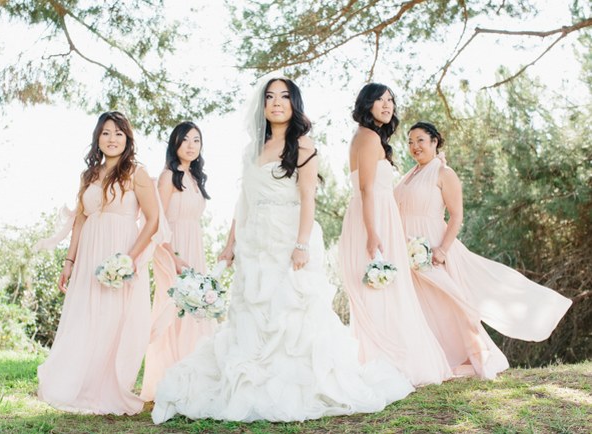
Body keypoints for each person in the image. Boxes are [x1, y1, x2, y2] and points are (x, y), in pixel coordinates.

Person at [151, 77, 413, 424]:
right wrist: (230, 245)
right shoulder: (252, 149)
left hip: (289, 236)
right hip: (254, 238)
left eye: (284, 96)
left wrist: (302, 243)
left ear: (294, 104)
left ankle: (292, 382)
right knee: (250, 310)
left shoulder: (303, 145)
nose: (276, 102)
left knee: (289, 311)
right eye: (270, 96)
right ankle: (250, 377)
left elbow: (308, 198)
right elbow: (243, 200)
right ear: (262, 106)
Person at [394, 121, 572, 378]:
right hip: (408, 248)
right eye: (410, 142)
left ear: (434, 142)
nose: (414, 146)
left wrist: (442, 250)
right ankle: (430, 359)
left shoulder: (444, 173)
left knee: (452, 303)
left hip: (433, 246)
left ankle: (475, 355)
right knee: (422, 304)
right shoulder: (409, 175)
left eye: (420, 140)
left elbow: (456, 216)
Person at [36, 111, 160, 415]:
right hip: (89, 253)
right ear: (98, 138)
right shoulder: (89, 175)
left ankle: (104, 388)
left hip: (120, 253)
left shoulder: (137, 173)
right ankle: (76, 383)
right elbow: (80, 219)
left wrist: (129, 259)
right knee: (84, 317)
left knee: (112, 319)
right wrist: (70, 260)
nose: (112, 139)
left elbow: (153, 219)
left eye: (118, 133)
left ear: (127, 138)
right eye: (106, 133)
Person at [338, 83, 453, 386]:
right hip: (372, 218)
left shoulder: (373, 138)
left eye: (390, 100)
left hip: (380, 215)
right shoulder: (367, 137)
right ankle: (382, 361)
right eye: (380, 100)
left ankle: (387, 360)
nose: (387, 105)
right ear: (367, 104)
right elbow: (365, 188)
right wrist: (373, 232)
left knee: (387, 290)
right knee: (379, 289)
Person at [140, 121, 216, 401]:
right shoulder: (168, 176)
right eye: (185, 140)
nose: (191, 145)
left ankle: (195, 380)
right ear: (175, 144)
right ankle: (168, 380)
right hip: (170, 249)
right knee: (172, 310)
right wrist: (174, 258)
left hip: (193, 247)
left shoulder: (196, 178)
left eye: (196, 140)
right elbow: (158, 220)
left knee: (196, 311)